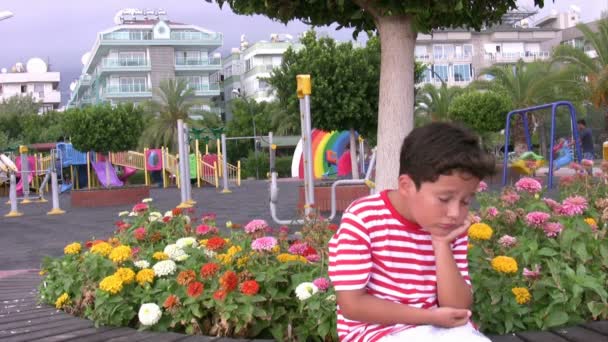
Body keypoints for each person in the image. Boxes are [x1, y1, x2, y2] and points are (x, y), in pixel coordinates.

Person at [328, 122, 495, 342]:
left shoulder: (449, 227)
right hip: (375, 333)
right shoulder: (364, 219)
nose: (455, 213)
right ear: (406, 186)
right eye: (444, 199)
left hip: (442, 331)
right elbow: (352, 304)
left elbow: (456, 307)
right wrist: (429, 316)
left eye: (465, 201)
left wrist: (441, 245)